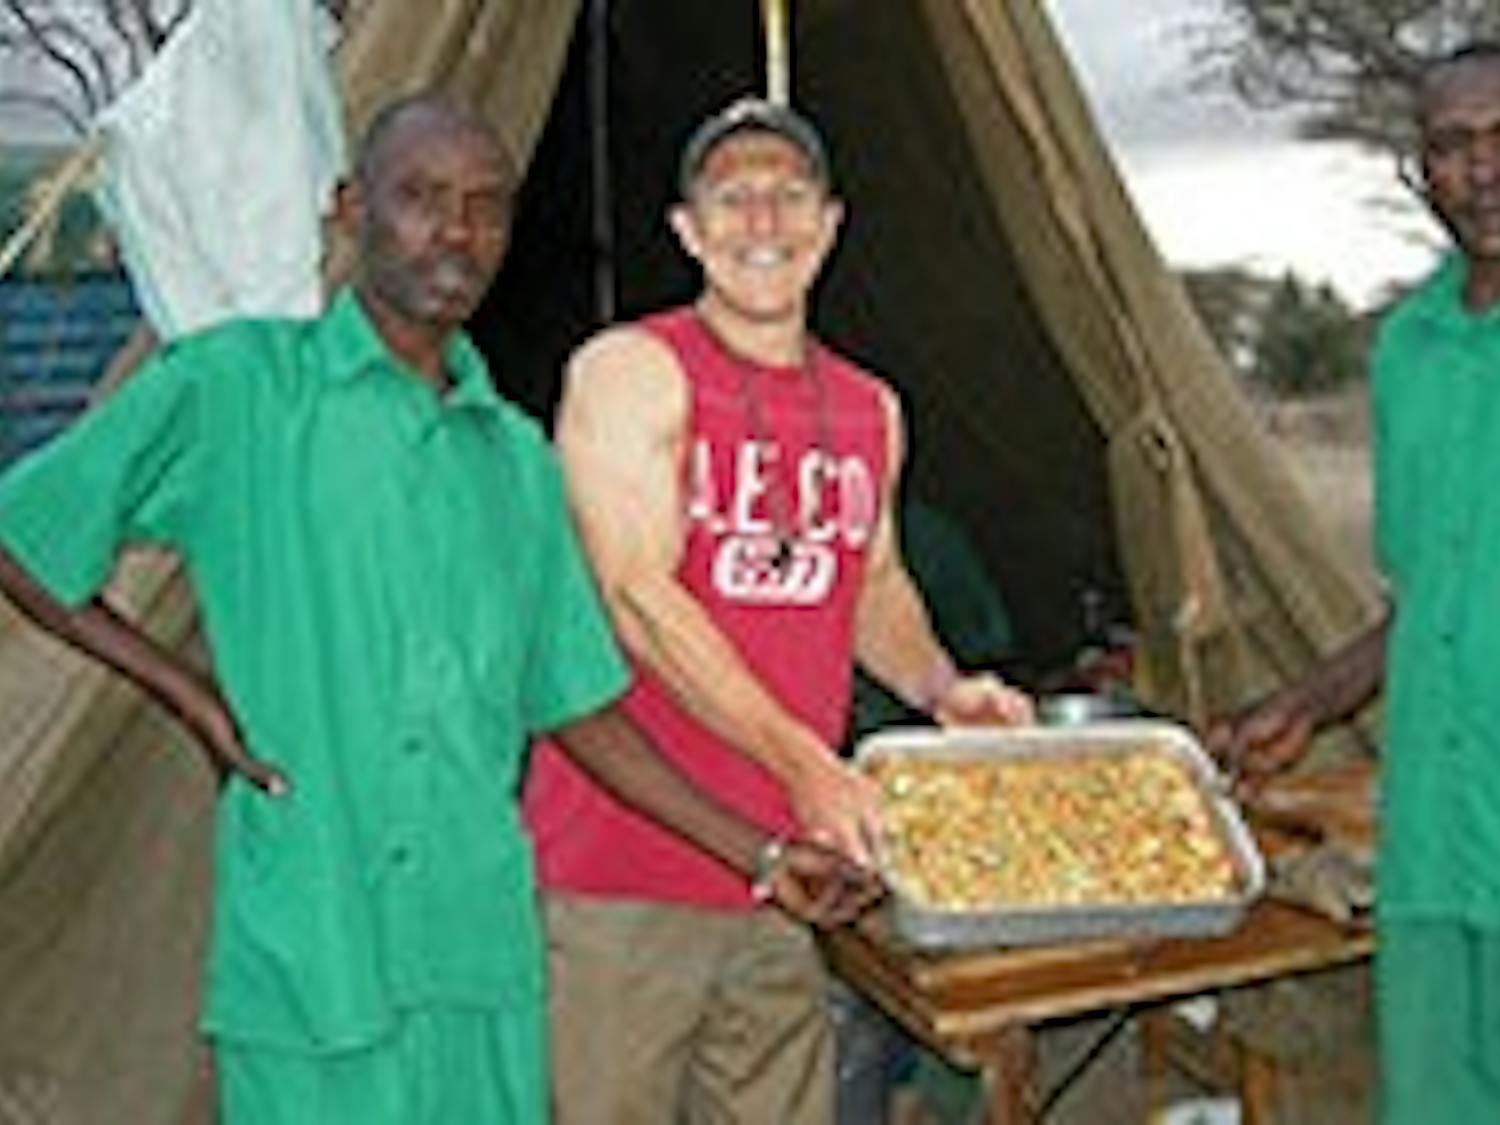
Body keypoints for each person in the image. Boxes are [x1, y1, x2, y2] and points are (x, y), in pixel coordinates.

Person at [0, 93, 875, 1125]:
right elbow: (26, 536)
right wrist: (192, 696)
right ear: (349, 210)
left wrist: (763, 859)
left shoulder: (514, 460)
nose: (456, 232)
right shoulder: (240, 389)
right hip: (313, 949)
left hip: (475, 954)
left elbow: (579, 709)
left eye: (485, 206)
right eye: (420, 198)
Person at [523, 96, 1034, 1124]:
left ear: (830, 224)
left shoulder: (870, 408)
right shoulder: (631, 371)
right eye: (732, 197)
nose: (763, 221)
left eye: (789, 195)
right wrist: (805, 761)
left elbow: (873, 585)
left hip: (786, 876)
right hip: (625, 874)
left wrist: (942, 687)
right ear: (687, 230)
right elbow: (637, 595)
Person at [1211, 43, 1500, 1124]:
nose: (1483, 169)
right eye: (1453, 146)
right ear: (1420, 169)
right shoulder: (1409, 350)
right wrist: (1306, 702)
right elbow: (1428, 597)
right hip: (1434, 835)